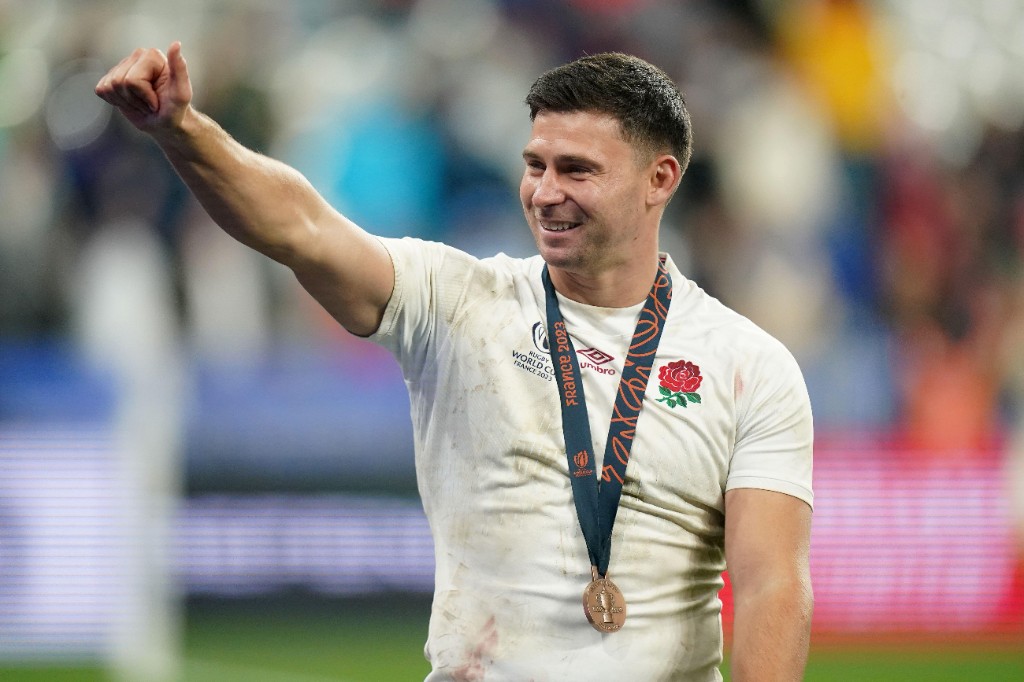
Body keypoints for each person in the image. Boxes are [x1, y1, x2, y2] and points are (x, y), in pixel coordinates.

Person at [96, 42, 814, 681]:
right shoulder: (459, 300)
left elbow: (767, 584)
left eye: (578, 170)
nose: (546, 192)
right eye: (535, 165)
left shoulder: (748, 365)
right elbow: (301, 229)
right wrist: (182, 132)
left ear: (660, 179)